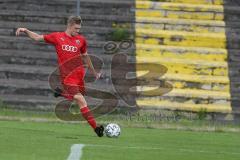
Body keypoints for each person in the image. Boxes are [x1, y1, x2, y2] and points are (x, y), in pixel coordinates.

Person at [15, 16, 104, 137]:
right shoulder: (57, 37)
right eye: (76, 28)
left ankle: (95, 128)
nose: (78, 31)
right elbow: (37, 37)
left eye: (79, 29)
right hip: (67, 77)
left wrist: (94, 72)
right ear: (70, 25)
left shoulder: (81, 40)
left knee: (82, 103)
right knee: (80, 99)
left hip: (79, 76)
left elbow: (85, 56)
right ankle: (96, 127)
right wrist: (25, 30)